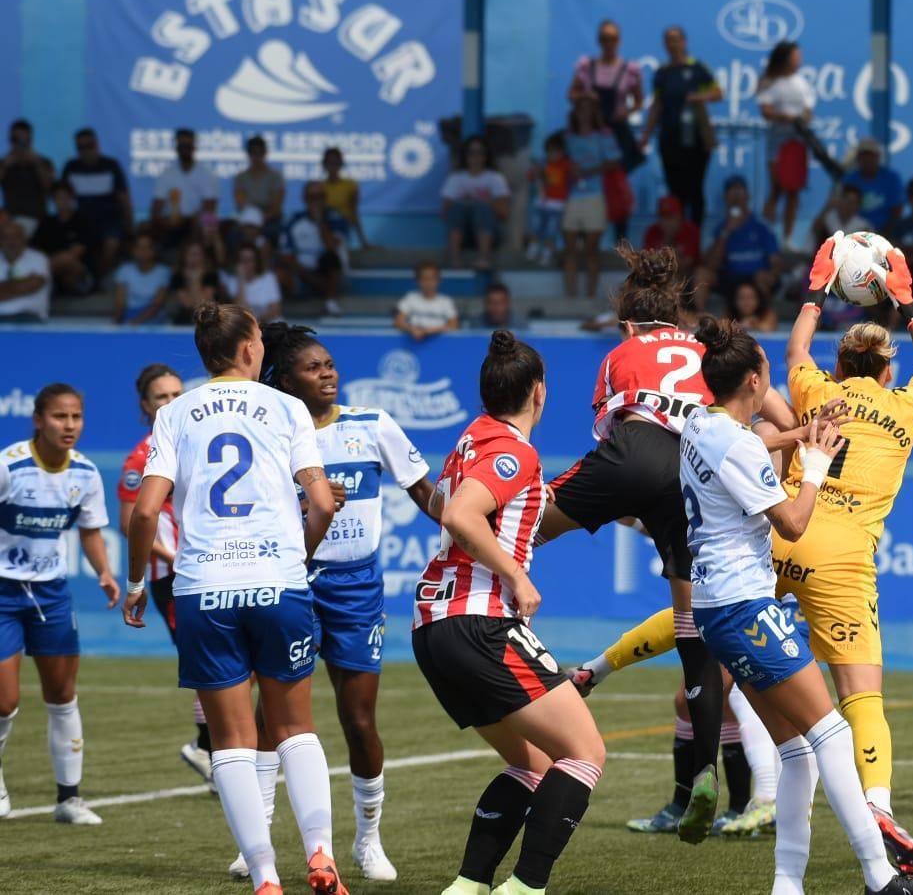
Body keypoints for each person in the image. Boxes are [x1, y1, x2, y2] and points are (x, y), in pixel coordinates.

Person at [681, 316, 913, 895]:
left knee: (795, 750)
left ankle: (787, 885)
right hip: (745, 607)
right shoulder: (745, 447)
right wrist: (814, 464)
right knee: (831, 731)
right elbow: (794, 520)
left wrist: (802, 432)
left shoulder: (697, 426)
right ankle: (881, 879)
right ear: (756, 381)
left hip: (715, 606)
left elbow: (755, 439)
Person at [123, 303, 346, 895]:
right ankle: (321, 855)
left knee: (231, 742)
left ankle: (265, 878)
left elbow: (145, 511)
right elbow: (322, 503)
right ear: (251, 347)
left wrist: (139, 582)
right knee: (295, 728)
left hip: (204, 589)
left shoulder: (175, 414)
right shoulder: (289, 407)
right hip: (278, 582)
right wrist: (296, 558)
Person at [535, 247, 729, 843]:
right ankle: (704, 770)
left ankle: (482, 618)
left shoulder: (619, 353)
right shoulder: (703, 351)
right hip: (694, 472)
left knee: (528, 522)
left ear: (627, 324)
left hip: (636, 451)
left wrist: (623, 506)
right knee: (692, 630)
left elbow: (616, 437)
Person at [777, 239, 913, 878]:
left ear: (841, 364)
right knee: (861, 694)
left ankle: (598, 669)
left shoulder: (814, 390)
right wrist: (908, 303)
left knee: (708, 618)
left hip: (782, 534)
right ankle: (876, 804)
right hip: (844, 555)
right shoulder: (907, 404)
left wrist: (814, 295)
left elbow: (794, 351)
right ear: (885, 372)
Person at [413, 331, 607, 895]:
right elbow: (461, 517)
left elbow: (442, 506)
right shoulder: (512, 450)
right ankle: (525, 888)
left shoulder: (470, 439)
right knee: (584, 753)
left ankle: (470, 885)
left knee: (532, 764)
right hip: (480, 622)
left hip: (434, 628)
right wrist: (516, 572)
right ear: (539, 392)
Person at [261, 323, 439, 881]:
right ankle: (256, 842)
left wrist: (473, 520)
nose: (328, 374)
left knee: (358, 719)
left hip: (356, 588)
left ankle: (368, 840)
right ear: (286, 379)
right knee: (273, 718)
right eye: (313, 368)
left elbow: (426, 493)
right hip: (290, 581)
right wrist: (307, 503)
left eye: (330, 364)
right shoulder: (271, 432)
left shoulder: (372, 424)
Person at [0, 384, 119, 825]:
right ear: (38, 420)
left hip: (50, 593)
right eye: (59, 417)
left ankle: (69, 799)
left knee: (63, 696)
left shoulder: (85, 474)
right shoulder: (9, 466)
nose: (69, 426)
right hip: (3, 593)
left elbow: (90, 530)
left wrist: (105, 572)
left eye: (76, 418)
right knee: (4, 701)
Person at [116, 365, 205, 783]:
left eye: (176, 394)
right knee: (213, 662)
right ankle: (212, 750)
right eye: (161, 398)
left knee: (235, 660)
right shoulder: (142, 456)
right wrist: (171, 555)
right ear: (145, 406)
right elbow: (131, 521)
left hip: (211, 566)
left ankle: (208, 748)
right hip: (173, 575)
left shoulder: (198, 439)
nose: (171, 403)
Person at [570, 18, 645, 243]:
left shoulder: (630, 69)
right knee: (587, 187)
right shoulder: (586, 66)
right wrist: (586, 99)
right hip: (591, 136)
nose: (608, 43)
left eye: (612, 38)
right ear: (598, 41)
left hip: (617, 135)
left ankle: (620, 245)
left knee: (617, 189)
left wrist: (627, 110)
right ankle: (584, 241)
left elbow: (639, 100)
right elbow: (571, 94)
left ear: (619, 41)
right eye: (604, 38)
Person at [639, 25, 722, 228]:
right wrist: (646, 135)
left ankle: (694, 237)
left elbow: (718, 93)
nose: (672, 43)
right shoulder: (663, 73)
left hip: (696, 141)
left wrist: (698, 96)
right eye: (668, 39)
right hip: (670, 140)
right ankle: (678, 238)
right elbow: (657, 105)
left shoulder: (698, 69)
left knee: (695, 189)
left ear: (684, 42)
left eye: (676, 38)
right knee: (676, 192)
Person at [757, 40, 816, 247]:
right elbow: (765, 110)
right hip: (777, 145)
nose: (798, 60)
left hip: (797, 145)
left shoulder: (802, 84)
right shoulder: (768, 81)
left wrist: (801, 120)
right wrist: (787, 117)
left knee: (793, 190)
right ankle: (766, 234)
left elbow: (808, 112)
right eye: (794, 56)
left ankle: (787, 239)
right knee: (776, 188)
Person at [562, 94, 621, 299]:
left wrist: (588, 172)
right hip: (572, 196)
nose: (585, 113)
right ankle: (571, 295)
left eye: (589, 108)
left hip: (596, 195)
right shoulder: (567, 137)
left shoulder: (604, 135)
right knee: (570, 249)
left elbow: (614, 161)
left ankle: (589, 296)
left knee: (591, 248)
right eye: (581, 108)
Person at [61, 128, 132, 278]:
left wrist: (129, 225)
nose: (86, 151)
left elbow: (124, 198)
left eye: (89, 146)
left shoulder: (111, 165)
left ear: (97, 145)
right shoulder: (71, 167)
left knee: (111, 245)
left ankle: (100, 278)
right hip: (80, 220)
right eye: (81, 147)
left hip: (109, 218)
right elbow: (63, 197)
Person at [706, 175, 783, 302]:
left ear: (747, 197)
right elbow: (712, 265)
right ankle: (700, 317)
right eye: (732, 193)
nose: (736, 198)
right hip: (732, 278)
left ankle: (764, 317)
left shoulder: (761, 227)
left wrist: (772, 273)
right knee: (702, 275)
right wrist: (726, 232)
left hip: (756, 277)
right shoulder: (721, 229)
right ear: (726, 199)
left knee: (762, 279)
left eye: (739, 193)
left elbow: (776, 261)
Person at [280, 180, 349, 316]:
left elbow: (331, 246)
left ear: (325, 198)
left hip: (329, 276)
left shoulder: (336, 218)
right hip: (302, 274)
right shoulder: (294, 221)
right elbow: (286, 254)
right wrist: (306, 275)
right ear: (304, 199)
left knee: (330, 259)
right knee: (279, 272)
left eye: (319, 197)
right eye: (311, 197)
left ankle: (331, 303)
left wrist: (320, 220)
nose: (315, 201)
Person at [443, 136, 511, 272]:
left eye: (480, 152)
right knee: (457, 207)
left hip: (491, 233)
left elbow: (504, 213)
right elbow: (445, 213)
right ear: (465, 156)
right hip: (464, 233)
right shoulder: (455, 179)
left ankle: (484, 257)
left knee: (481, 208)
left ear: (486, 156)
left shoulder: (495, 178)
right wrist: (465, 204)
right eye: (471, 153)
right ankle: (455, 258)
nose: (476, 157)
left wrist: (485, 203)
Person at [150, 127, 220, 247]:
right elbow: (157, 206)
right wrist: (164, 220)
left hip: (195, 220)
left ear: (194, 147)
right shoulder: (166, 174)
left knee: (207, 221)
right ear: (176, 147)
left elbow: (210, 207)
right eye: (182, 145)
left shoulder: (207, 174)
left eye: (188, 145)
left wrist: (190, 218)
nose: (185, 149)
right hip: (171, 220)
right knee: (148, 226)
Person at [32, 180, 92, 297]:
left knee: (66, 261)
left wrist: (47, 264)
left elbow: (74, 254)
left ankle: (42, 283)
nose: (62, 201)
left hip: (80, 273)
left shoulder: (82, 221)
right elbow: (36, 250)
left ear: (72, 198)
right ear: (53, 200)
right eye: (58, 198)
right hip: (54, 274)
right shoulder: (46, 223)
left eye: (66, 197)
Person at [0, 118, 55, 233]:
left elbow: (50, 188)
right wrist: (5, 165)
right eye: (16, 140)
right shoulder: (4, 163)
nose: (20, 145)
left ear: (30, 140)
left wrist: (37, 164)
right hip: (10, 222)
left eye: (24, 141)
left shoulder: (44, 162)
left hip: (38, 220)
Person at [233, 136, 286, 253]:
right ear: (248, 154)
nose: (256, 157)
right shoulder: (240, 178)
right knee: (234, 234)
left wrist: (262, 218)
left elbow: (277, 206)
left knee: (274, 232)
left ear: (265, 153)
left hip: (269, 219)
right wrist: (252, 219)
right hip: (248, 218)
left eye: (259, 153)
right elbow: (240, 204)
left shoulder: (276, 177)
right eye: (253, 153)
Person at [841, 139, 904, 236]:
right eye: (864, 156)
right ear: (858, 158)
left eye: (870, 155)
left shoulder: (891, 178)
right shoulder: (850, 179)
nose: (867, 159)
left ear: (878, 157)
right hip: (855, 232)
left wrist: (884, 234)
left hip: (885, 232)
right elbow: (843, 208)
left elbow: (897, 210)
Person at [526, 131, 569, 267]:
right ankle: (533, 248)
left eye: (556, 151)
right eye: (550, 151)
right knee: (535, 226)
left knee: (551, 231)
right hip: (540, 204)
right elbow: (530, 177)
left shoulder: (566, 165)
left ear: (563, 152)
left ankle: (547, 253)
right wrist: (537, 171)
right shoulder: (542, 164)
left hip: (557, 206)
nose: (553, 155)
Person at [0, 212, 51, 322]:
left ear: (24, 239)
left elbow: (33, 284)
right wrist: (22, 283)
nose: (11, 242)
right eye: (6, 238)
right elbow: (26, 285)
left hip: (28, 318)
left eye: (15, 237)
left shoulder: (39, 258)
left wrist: (4, 288)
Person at [113, 233, 172, 326]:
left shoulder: (163, 272)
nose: (142, 251)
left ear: (153, 250)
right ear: (133, 250)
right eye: (139, 247)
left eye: (146, 247)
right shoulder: (124, 270)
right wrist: (115, 325)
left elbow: (157, 304)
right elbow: (120, 302)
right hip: (129, 313)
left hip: (153, 316)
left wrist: (135, 322)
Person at [394, 261, 459, 341]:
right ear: (418, 281)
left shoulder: (446, 301)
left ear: (439, 280)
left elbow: (454, 325)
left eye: (432, 279)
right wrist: (412, 329)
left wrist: (429, 331)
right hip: (413, 344)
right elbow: (398, 322)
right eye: (425, 279)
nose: (428, 283)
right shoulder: (410, 298)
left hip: (440, 345)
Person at [168, 240, 224, 326]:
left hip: (208, 320)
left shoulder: (211, 275)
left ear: (204, 256)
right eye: (191, 254)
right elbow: (187, 304)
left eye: (198, 254)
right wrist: (192, 280)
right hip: (183, 321)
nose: (194, 257)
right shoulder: (177, 276)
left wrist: (196, 280)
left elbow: (203, 305)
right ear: (184, 256)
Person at [224, 242, 283, 323]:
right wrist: (241, 279)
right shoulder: (232, 281)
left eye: (250, 260)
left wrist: (257, 321)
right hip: (247, 328)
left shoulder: (268, 277)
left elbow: (276, 309)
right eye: (243, 260)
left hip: (269, 325)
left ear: (256, 262)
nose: (246, 264)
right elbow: (239, 311)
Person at [321, 148, 366, 248]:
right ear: (324, 164)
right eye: (329, 162)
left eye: (336, 162)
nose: (332, 166)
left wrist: (363, 242)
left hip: (342, 231)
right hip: (323, 232)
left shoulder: (350, 185)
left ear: (341, 164)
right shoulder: (320, 187)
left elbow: (354, 213)